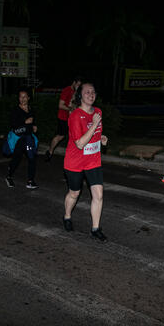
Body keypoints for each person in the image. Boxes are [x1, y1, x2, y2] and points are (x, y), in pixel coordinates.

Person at [63, 82, 109, 242]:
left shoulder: (98, 112)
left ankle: (95, 228)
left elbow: (94, 134)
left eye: (93, 92)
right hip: (75, 162)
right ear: (80, 96)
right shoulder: (75, 116)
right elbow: (80, 143)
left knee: (99, 194)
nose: (91, 94)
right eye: (87, 92)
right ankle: (67, 216)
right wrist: (95, 123)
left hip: (93, 161)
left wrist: (101, 139)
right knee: (74, 193)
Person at [5, 89, 39, 189]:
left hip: (29, 138)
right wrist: (25, 122)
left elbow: (32, 123)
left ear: (28, 98)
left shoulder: (31, 109)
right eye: (20, 97)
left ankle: (30, 181)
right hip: (19, 139)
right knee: (16, 158)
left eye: (25, 97)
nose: (22, 99)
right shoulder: (15, 110)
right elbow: (14, 125)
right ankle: (9, 176)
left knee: (32, 158)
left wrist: (34, 127)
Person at [45, 76, 82, 162]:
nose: (78, 86)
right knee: (60, 136)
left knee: (75, 137)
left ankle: (74, 156)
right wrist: (71, 109)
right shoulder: (67, 90)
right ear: (74, 82)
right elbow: (60, 105)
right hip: (63, 118)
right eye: (77, 84)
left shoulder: (77, 92)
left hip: (73, 119)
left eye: (79, 85)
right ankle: (50, 152)